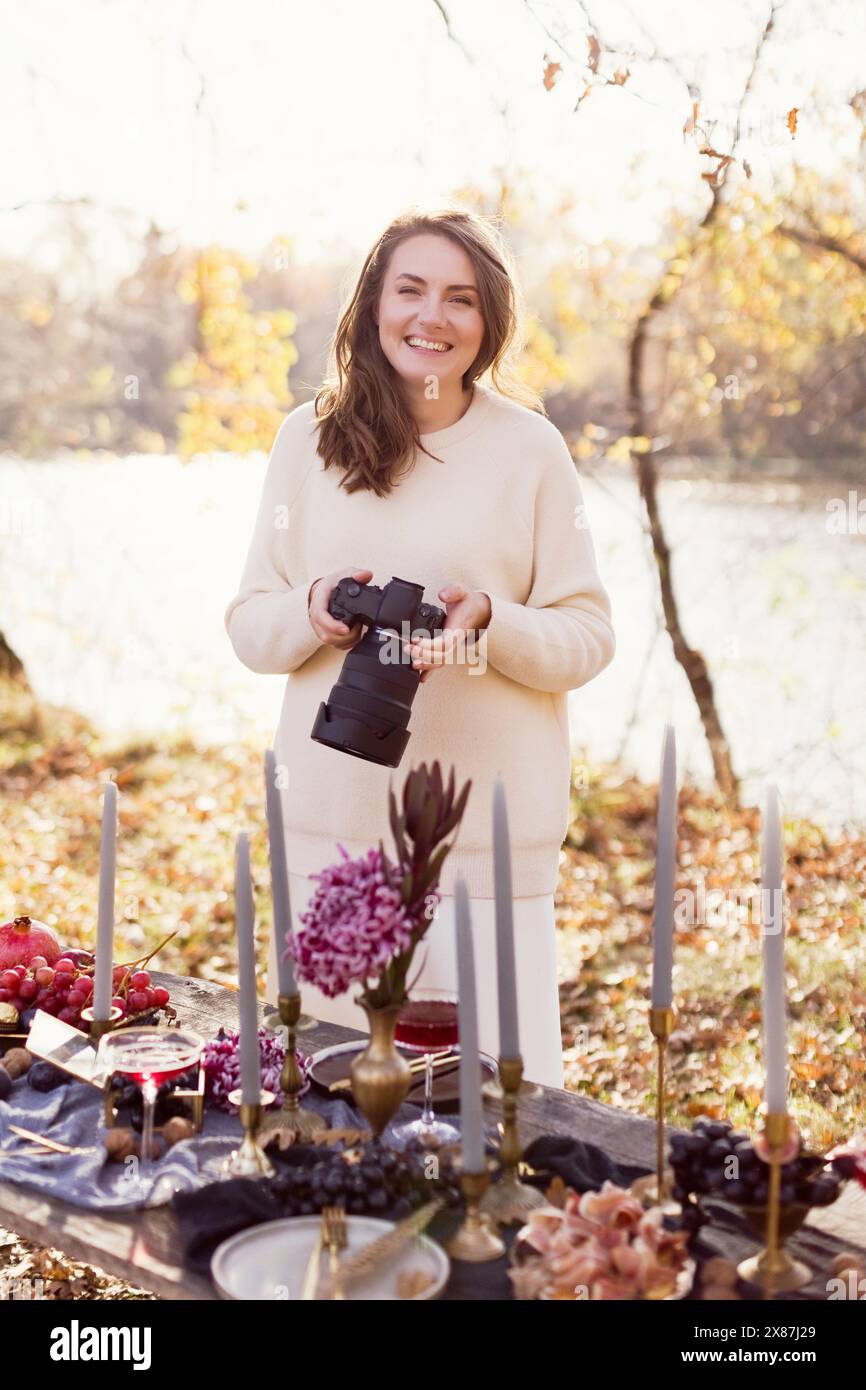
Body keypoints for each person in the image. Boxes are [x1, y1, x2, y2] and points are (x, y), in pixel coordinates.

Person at [224, 208, 615, 1088]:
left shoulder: (530, 450)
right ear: (371, 305)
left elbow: (589, 636)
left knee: (495, 1125)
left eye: (460, 299)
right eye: (410, 290)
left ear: (489, 323)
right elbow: (250, 623)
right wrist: (315, 610)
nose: (431, 318)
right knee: (334, 1113)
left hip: (483, 845)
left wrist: (491, 625)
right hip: (332, 845)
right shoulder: (308, 439)